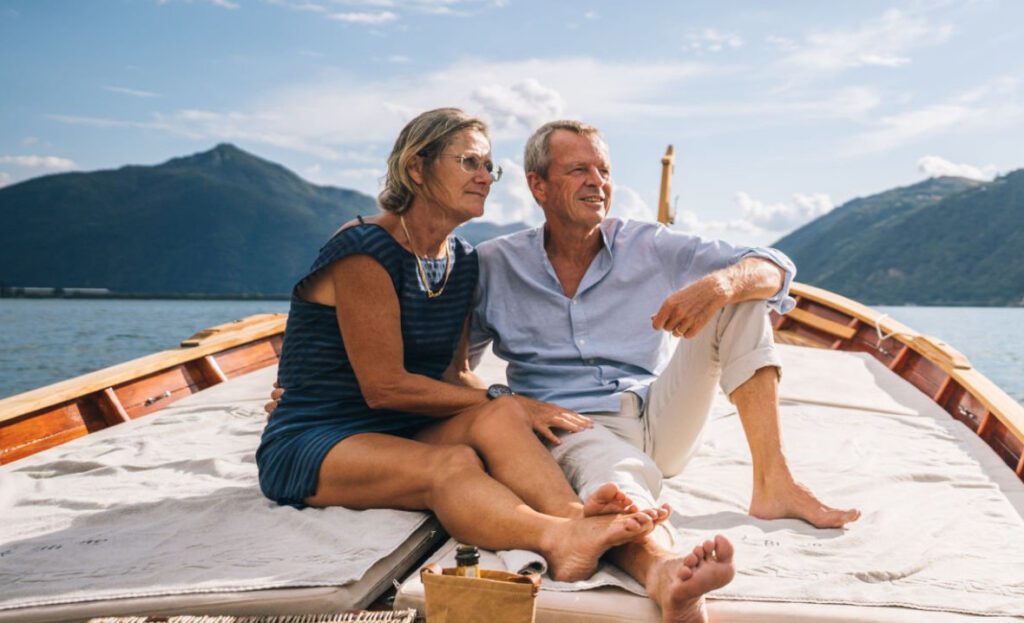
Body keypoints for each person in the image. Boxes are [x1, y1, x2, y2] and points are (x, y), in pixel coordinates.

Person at [255, 107, 681, 583]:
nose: (485, 177)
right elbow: (385, 388)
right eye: (469, 163)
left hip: (401, 428)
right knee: (456, 460)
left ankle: (577, 518)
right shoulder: (365, 249)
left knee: (498, 415)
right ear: (416, 168)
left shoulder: (461, 261)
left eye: (489, 167)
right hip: (320, 436)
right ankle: (554, 537)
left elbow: (455, 374)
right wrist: (514, 400)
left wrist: (509, 410)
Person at [461, 120, 861, 622]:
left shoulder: (646, 244)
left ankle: (774, 484)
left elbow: (775, 267)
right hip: (573, 426)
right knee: (616, 482)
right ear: (537, 184)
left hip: (658, 415)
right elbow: (456, 375)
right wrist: (510, 402)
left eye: (604, 170)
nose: (597, 181)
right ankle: (667, 572)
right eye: (579, 169)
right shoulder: (493, 265)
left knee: (743, 301)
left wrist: (719, 287)